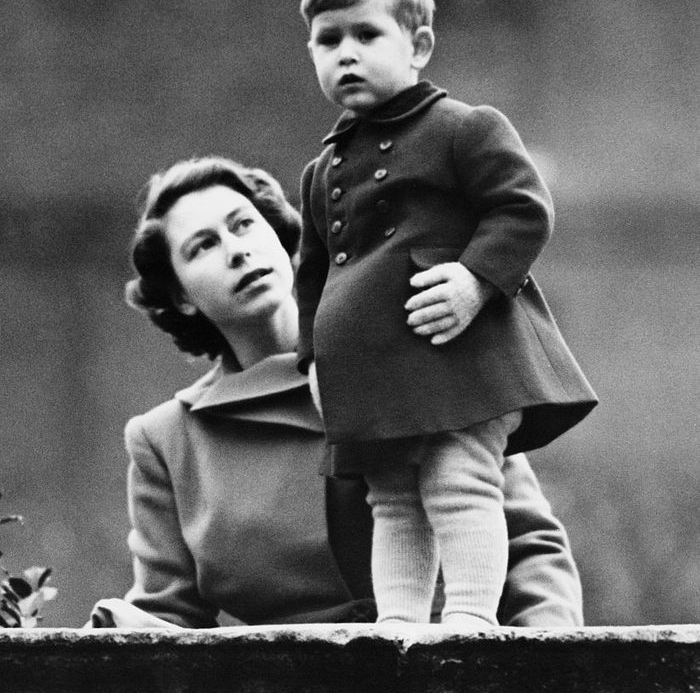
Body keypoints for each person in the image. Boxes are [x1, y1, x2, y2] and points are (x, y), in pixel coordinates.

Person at [90, 155, 584, 629]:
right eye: (202, 246)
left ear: (282, 238)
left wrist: (550, 676)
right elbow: (169, 619)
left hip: (448, 679)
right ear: (180, 295)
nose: (236, 250)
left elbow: (530, 548)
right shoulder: (165, 441)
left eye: (243, 225)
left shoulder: (409, 359)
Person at [296, 0, 598, 629]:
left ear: (419, 44)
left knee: (461, 482)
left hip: (456, 356)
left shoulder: (463, 128)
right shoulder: (321, 172)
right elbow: (311, 274)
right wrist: (314, 358)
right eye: (326, 39)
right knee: (392, 495)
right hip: (373, 370)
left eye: (366, 34)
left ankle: (470, 619)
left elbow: (524, 209)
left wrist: (473, 279)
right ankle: (399, 625)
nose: (345, 53)